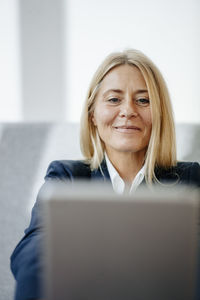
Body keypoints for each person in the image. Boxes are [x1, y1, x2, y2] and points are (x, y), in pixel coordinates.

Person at [10, 49, 200, 300]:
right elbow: (31, 251)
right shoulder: (66, 176)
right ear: (93, 116)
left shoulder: (190, 180)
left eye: (143, 100)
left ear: (160, 115)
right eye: (113, 99)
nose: (128, 110)